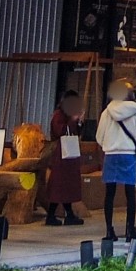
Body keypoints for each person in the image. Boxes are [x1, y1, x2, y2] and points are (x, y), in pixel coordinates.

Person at [94, 79, 136, 242]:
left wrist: (109, 144)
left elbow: (99, 137)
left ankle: (109, 230)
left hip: (111, 155)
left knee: (110, 194)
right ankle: (130, 230)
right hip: (128, 154)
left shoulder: (107, 112)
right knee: (130, 193)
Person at [43, 90, 85, 226]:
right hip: (61, 155)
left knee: (66, 185)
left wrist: (78, 122)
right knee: (59, 184)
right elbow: (60, 131)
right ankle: (52, 215)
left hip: (69, 154)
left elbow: (76, 132)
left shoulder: (66, 115)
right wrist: (73, 121)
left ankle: (69, 214)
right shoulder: (58, 115)